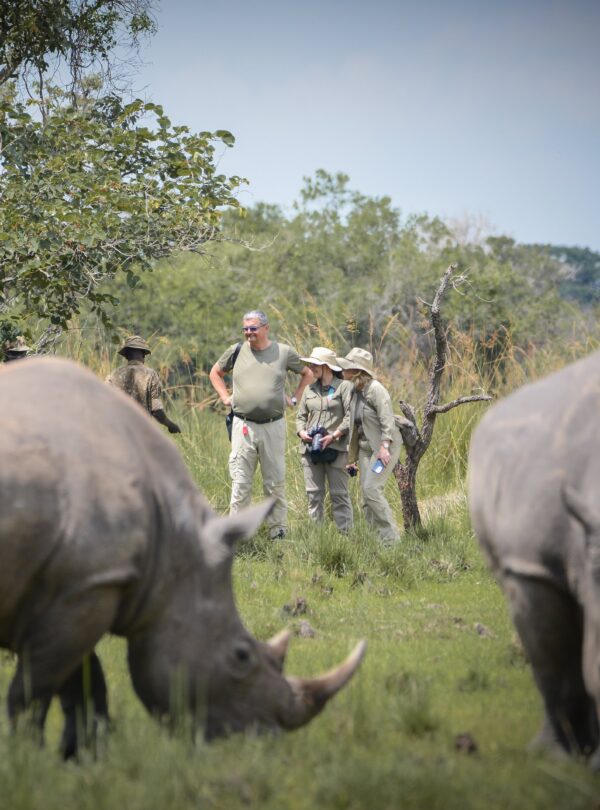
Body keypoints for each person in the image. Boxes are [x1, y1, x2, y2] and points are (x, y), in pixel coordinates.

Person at [209, 310, 312, 539]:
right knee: (241, 482)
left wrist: (295, 398)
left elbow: (307, 373)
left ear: (266, 328)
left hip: (273, 426)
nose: (249, 333)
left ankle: (278, 532)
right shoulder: (236, 351)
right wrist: (225, 397)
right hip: (243, 426)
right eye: (245, 329)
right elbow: (215, 373)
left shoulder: (283, 352)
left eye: (253, 328)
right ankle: (237, 534)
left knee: (274, 483)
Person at [337, 347, 402, 543]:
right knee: (366, 498)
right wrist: (351, 458)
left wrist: (384, 448)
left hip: (383, 448)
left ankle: (391, 540)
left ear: (357, 371)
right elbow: (354, 425)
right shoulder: (354, 391)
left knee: (372, 490)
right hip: (365, 449)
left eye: (347, 367)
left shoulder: (375, 389)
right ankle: (375, 540)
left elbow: (387, 420)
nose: (343, 370)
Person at [296, 347, 355, 532]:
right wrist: (301, 433)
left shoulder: (345, 387)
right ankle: (317, 539)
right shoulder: (309, 389)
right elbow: (300, 417)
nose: (311, 367)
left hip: (337, 449)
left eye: (315, 364)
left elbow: (351, 416)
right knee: (314, 496)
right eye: (310, 364)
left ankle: (346, 537)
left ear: (327, 366)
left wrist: (334, 436)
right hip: (310, 450)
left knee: (339, 496)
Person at [107, 335, 181, 433]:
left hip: (119, 433)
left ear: (126, 355)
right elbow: (156, 411)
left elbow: (105, 404)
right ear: (143, 354)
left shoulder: (114, 375)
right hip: (141, 434)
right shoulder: (150, 374)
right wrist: (171, 425)